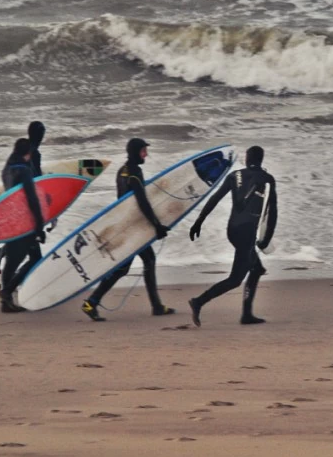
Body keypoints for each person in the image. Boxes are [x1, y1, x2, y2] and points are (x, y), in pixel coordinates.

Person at [80, 138, 174, 321]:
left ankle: (154, 305)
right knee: (140, 263)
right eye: (143, 151)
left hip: (125, 224)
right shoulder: (134, 172)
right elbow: (142, 202)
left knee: (133, 265)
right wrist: (156, 225)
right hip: (132, 227)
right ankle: (92, 302)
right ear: (136, 152)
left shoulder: (122, 171)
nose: (146, 154)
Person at [188, 145, 277, 326]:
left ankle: (247, 314)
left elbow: (215, 198)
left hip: (233, 231)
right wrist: (267, 238)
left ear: (246, 159)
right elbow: (272, 211)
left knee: (257, 269)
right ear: (261, 160)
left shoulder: (234, 176)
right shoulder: (267, 179)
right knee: (235, 279)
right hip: (246, 233)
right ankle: (198, 302)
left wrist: (199, 221)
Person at [0, 121, 46, 275]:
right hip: (26, 210)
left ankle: (5, 276)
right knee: (30, 252)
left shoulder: (16, 155)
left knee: (23, 247)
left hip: (14, 209)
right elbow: (37, 180)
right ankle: (7, 288)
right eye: (41, 134)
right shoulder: (33, 154)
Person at [0, 138, 46, 313]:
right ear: (28, 154)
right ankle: (7, 292)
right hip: (24, 222)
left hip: (11, 219)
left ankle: (6, 302)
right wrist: (39, 226)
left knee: (11, 262)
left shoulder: (7, 169)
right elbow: (33, 199)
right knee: (34, 259)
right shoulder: (24, 171)